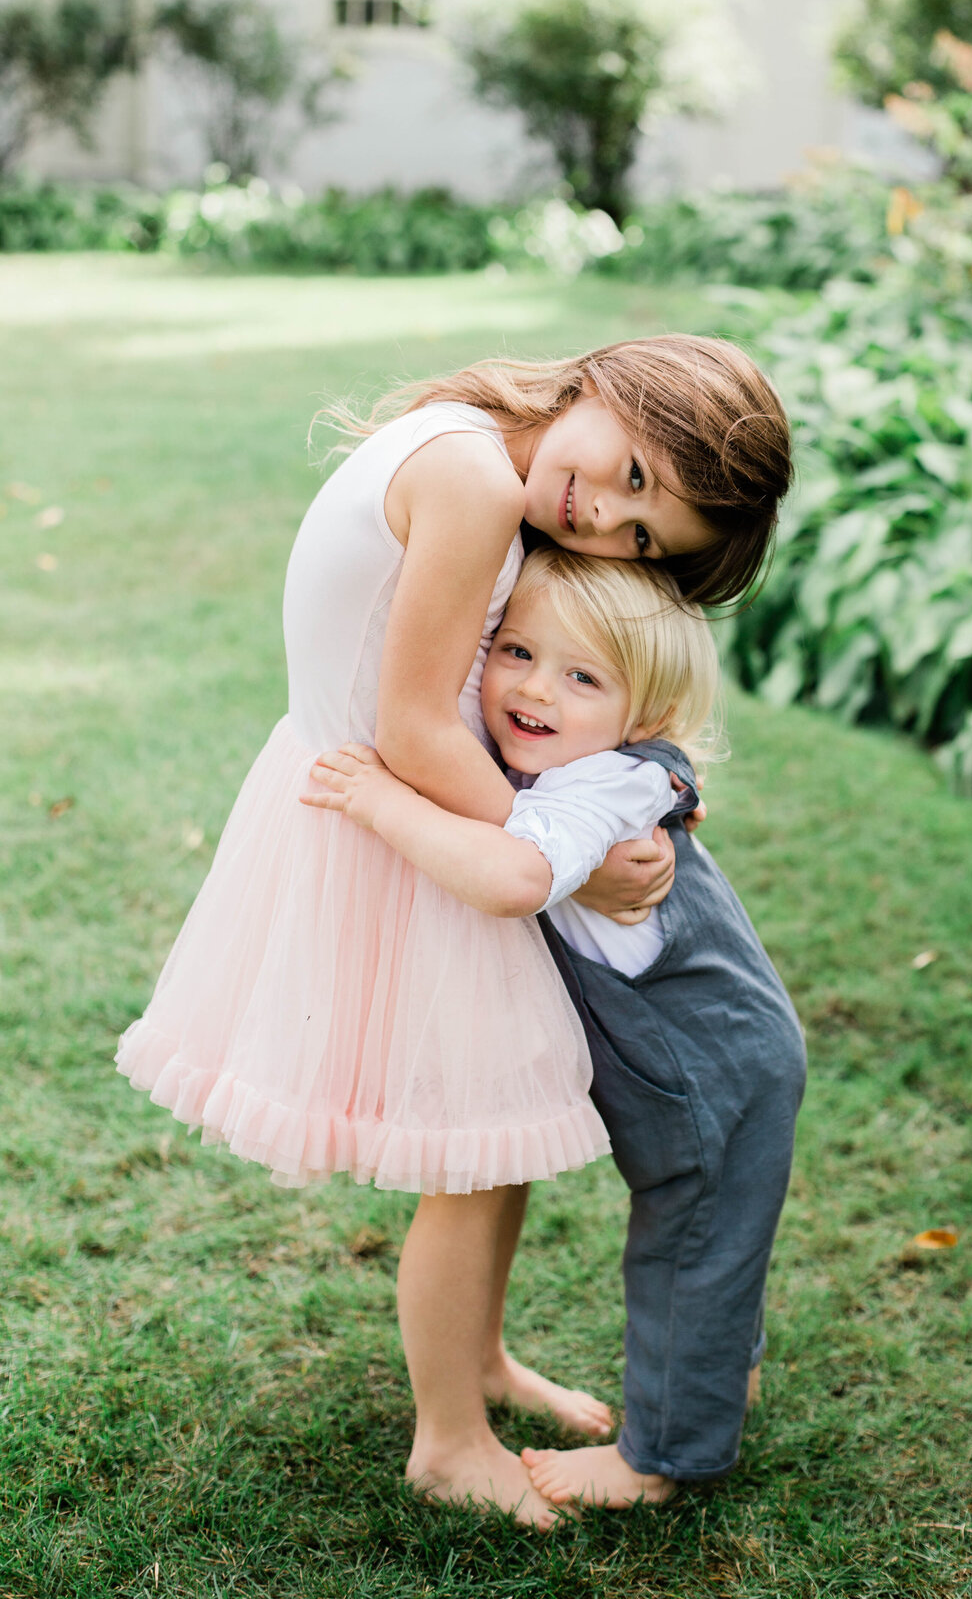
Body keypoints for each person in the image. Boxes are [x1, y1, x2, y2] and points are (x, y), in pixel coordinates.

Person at [115, 335, 792, 1528]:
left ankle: (477, 1362)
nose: (604, 520)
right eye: (634, 474)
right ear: (607, 384)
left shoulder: (489, 455)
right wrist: (564, 862)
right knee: (470, 1156)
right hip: (402, 820)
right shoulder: (477, 478)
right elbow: (417, 730)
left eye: (643, 539)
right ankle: (448, 1437)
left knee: (498, 1131)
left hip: (413, 811)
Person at [304, 548, 807, 1512]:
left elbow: (509, 877)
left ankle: (659, 1458)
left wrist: (380, 798)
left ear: (643, 720)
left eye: (582, 677)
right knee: (716, 1243)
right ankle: (716, 1380)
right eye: (517, 650)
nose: (534, 688)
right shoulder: (553, 764)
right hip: (701, 1062)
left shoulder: (609, 789)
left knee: (689, 1250)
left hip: (712, 1072)